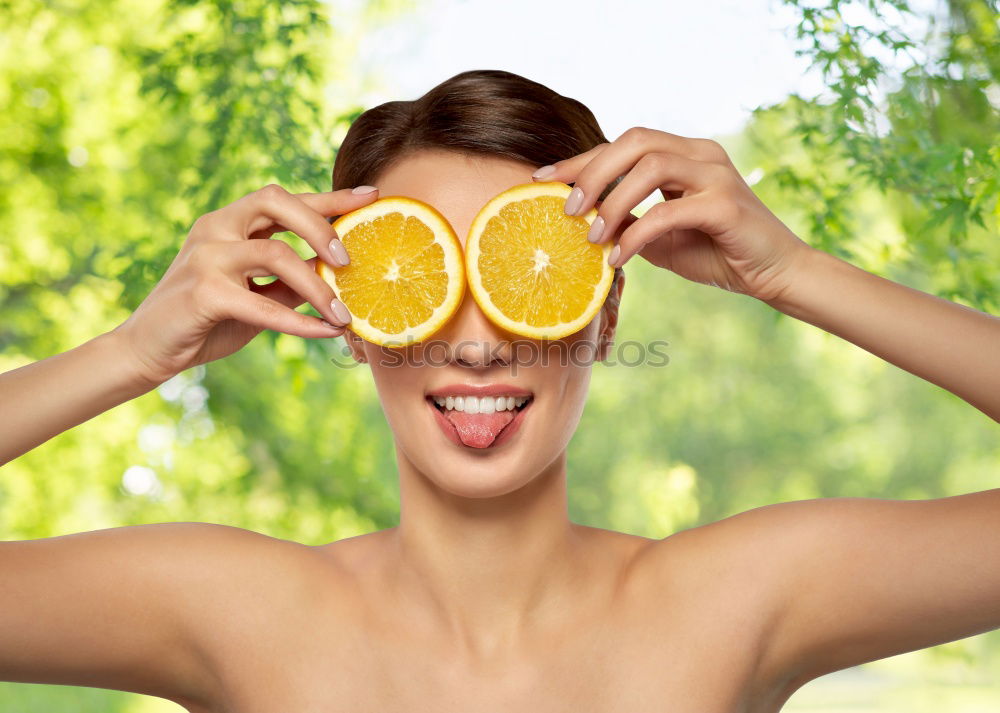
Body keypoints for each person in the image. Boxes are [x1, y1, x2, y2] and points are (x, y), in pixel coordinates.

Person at [1, 68, 998, 713]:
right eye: (426, 279)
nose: (477, 344)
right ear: (353, 314)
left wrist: (792, 272)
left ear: (603, 319)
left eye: (523, 278)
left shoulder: (732, 600)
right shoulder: (238, 610)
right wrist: (135, 354)